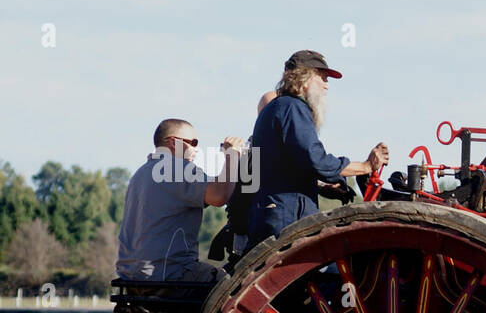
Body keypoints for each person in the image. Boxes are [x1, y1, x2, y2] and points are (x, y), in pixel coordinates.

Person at [245, 50, 387, 248]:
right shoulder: (293, 107)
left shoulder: (277, 108)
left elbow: (290, 165)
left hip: (273, 211)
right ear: (304, 78)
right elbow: (314, 159)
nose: (327, 85)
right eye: (323, 78)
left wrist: (324, 184)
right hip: (286, 215)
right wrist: (365, 166)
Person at [117, 119, 244, 282]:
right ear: (173, 142)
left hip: (131, 277)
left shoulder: (140, 174)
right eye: (193, 143)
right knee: (235, 285)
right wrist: (232, 156)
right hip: (169, 274)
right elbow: (219, 195)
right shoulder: (177, 169)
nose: (196, 149)